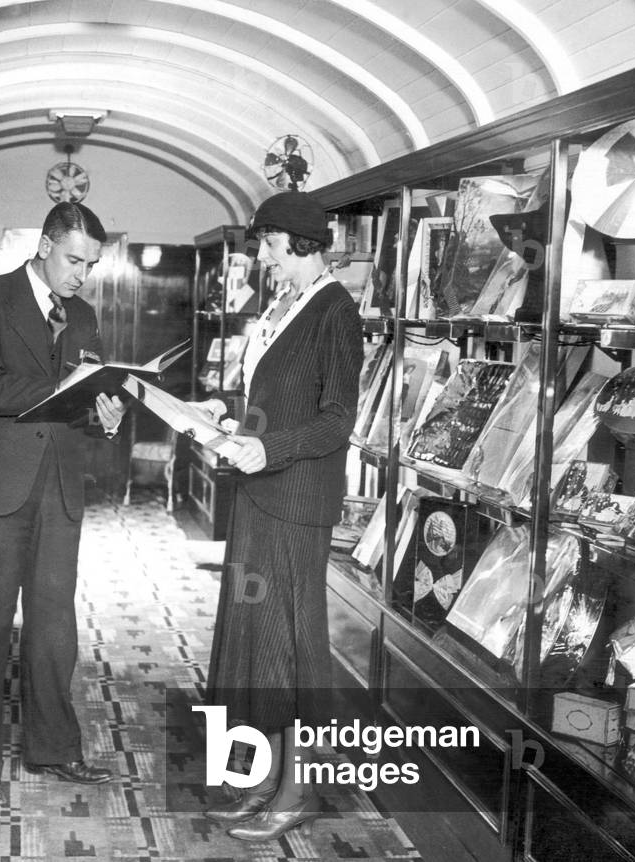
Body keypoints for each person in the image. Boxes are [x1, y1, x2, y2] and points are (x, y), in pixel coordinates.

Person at [0, 202, 126, 806]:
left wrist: (107, 412)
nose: (82, 274)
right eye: (74, 259)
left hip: (58, 489)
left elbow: (94, 391)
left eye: (92, 264)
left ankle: (55, 748)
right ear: (46, 244)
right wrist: (64, 390)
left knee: (54, 628)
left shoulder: (84, 316)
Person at [202, 190, 364, 841]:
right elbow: (271, 395)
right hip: (258, 494)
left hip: (295, 502)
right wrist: (225, 416)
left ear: (299, 241)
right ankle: (268, 778)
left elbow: (336, 420)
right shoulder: (281, 305)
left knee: (292, 647)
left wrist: (267, 446)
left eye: (268, 243)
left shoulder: (335, 311)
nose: (261, 255)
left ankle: (300, 790)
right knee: (257, 646)